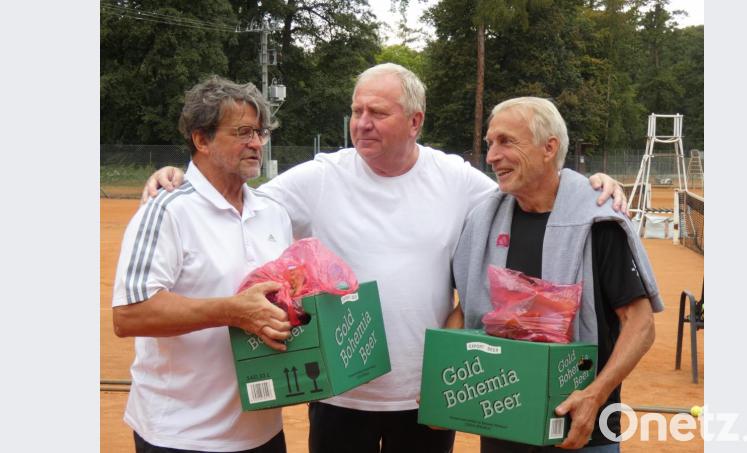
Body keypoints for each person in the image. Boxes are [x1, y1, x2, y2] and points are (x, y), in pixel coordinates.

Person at [142, 63, 628, 453]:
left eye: (377, 112)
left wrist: (588, 188)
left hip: (427, 394)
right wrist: (183, 175)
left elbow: (530, 188)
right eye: (356, 110)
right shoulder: (320, 177)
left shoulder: (457, 180)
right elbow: (242, 201)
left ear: (415, 121)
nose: (362, 122)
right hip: (338, 393)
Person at [450, 97, 663, 452]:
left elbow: (640, 324)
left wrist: (594, 396)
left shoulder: (598, 220)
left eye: (506, 142)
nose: (492, 156)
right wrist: (442, 383)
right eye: (490, 144)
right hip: (502, 423)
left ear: (549, 148)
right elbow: (464, 311)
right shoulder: (482, 220)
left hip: (582, 432)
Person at [112, 76, 294, 453]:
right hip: (181, 436)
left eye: (260, 132)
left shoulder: (274, 213)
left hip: (263, 433)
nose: (256, 143)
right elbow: (130, 314)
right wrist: (233, 311)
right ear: (202, 139)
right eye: (242, 132)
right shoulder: (167, 211)